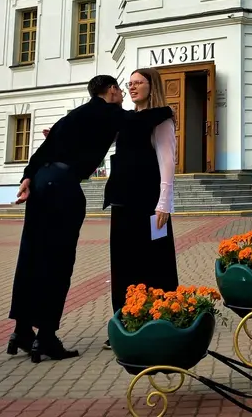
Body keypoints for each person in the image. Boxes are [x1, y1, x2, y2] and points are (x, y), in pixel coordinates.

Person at [7, 74, 174, 363]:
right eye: (122, 89)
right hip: (63, 187)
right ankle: (45, 336)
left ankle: (21, 330)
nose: (125, 92)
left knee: (31, 256)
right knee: (58, 259)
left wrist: (27, 177)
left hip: (41, 182)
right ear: (111, 91)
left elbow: (45, 148)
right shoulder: (110, 113)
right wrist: (167, 111)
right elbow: (138, 123)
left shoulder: (75, 115)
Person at [102, 67, 180, 349]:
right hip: (123, 203)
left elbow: (167, 161)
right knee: (123, 264)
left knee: (153, 261)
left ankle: (160, 318)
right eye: (129, 83)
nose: (132, 88)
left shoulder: (160, 119)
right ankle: (125, 320)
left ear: (151, 86)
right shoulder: (128, 119)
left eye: (138, 83)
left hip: (149, 205)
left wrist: (164, 202)